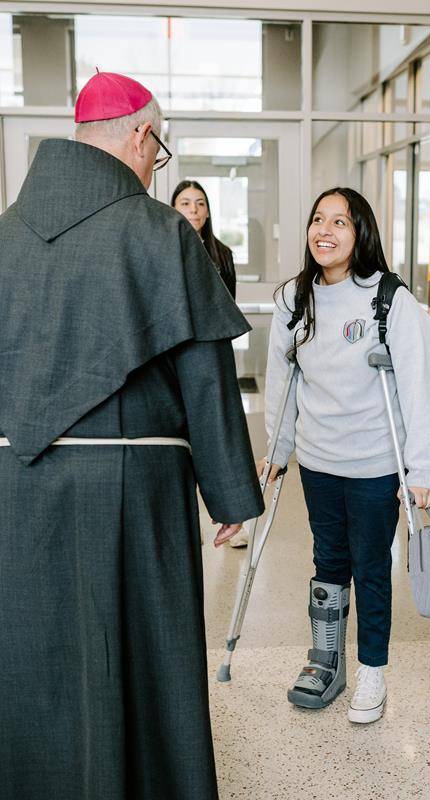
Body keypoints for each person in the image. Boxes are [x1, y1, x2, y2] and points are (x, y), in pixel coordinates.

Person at [0, 71, 263, 800]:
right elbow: (205, 369)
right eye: (158, 150)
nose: (155, 167)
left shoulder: (3, 235)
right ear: (141, 135)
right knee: (137, 656)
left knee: (34, 655)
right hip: (130, 488)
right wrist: (229, 493)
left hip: (14, 488)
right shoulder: (160, 232)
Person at [262, 188, 430, 725]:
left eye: (340, 222)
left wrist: (420, 468)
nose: (325, 231)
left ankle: (372, 670)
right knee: (328, 563)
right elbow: (281, 380)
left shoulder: (389, 299)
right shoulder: (294, 299)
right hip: (318, 462)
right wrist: (277, 449)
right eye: (318, 219)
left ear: (360, 232)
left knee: (371, 567)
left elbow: (419, 386)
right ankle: (327, 661)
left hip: (374, 464)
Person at [172, 179, 237, 299]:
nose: (193, 210)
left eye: (200, 204)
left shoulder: (223, 254)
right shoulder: (164, 249)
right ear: (173, 209)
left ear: (207, 212)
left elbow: (230, 304)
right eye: (185, 203)